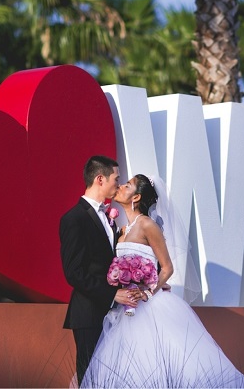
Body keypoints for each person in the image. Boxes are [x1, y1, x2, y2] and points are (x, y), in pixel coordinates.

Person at [81, 174, 244, 388]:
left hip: (149, 306)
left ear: (136, 197)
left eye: (128, 185)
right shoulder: (122, 230)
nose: (121, 186)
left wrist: (147, 291)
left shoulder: (147, 225)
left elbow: (167, 267)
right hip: (127, 306)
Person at [60, 155, 144, 384]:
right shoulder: (74, 219)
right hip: (89, 314)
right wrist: (112, 294)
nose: (119, 184)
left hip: (116, 315)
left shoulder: (110, 218)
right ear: (100, 179)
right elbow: (73, 272)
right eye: (116, 179)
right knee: (92, 379)